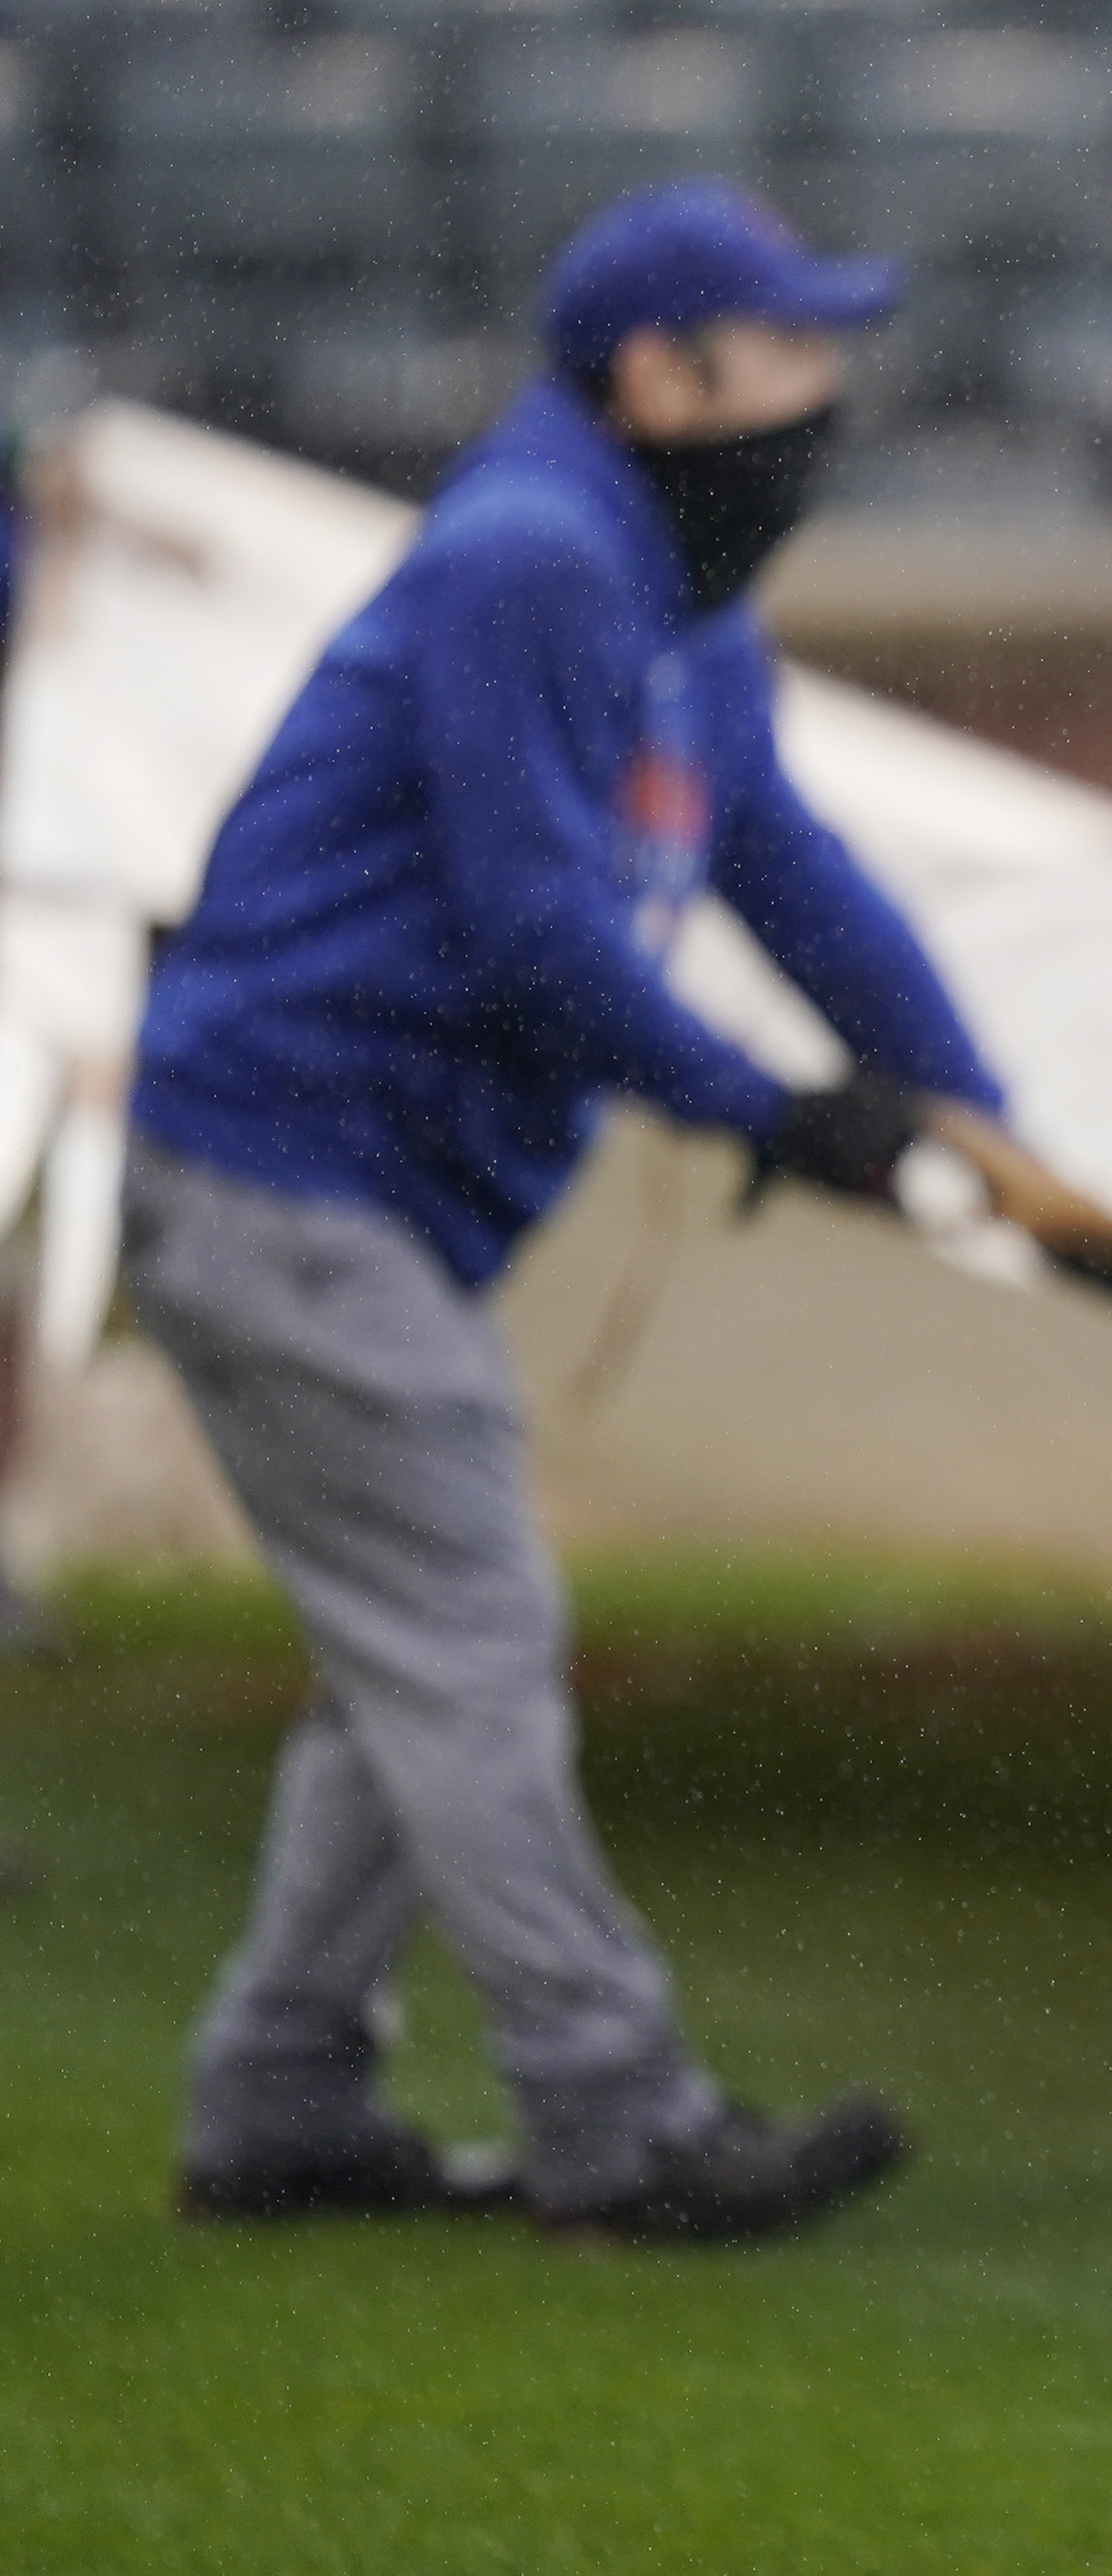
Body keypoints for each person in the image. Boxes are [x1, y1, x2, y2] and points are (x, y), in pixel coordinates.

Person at [127, 178, 1049, 2243]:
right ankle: (617, 2125)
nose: (825, 397)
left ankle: (279, 2099)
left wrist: (982, 1117)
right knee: (469, 1634)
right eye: (794, 354)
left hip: (344, 1193)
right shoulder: (536, 564)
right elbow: (538, 930)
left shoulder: (664, 585)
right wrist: (776, 1116)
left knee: (414, 1658)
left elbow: (784, 863)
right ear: (666, 377)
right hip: (284, 1183)